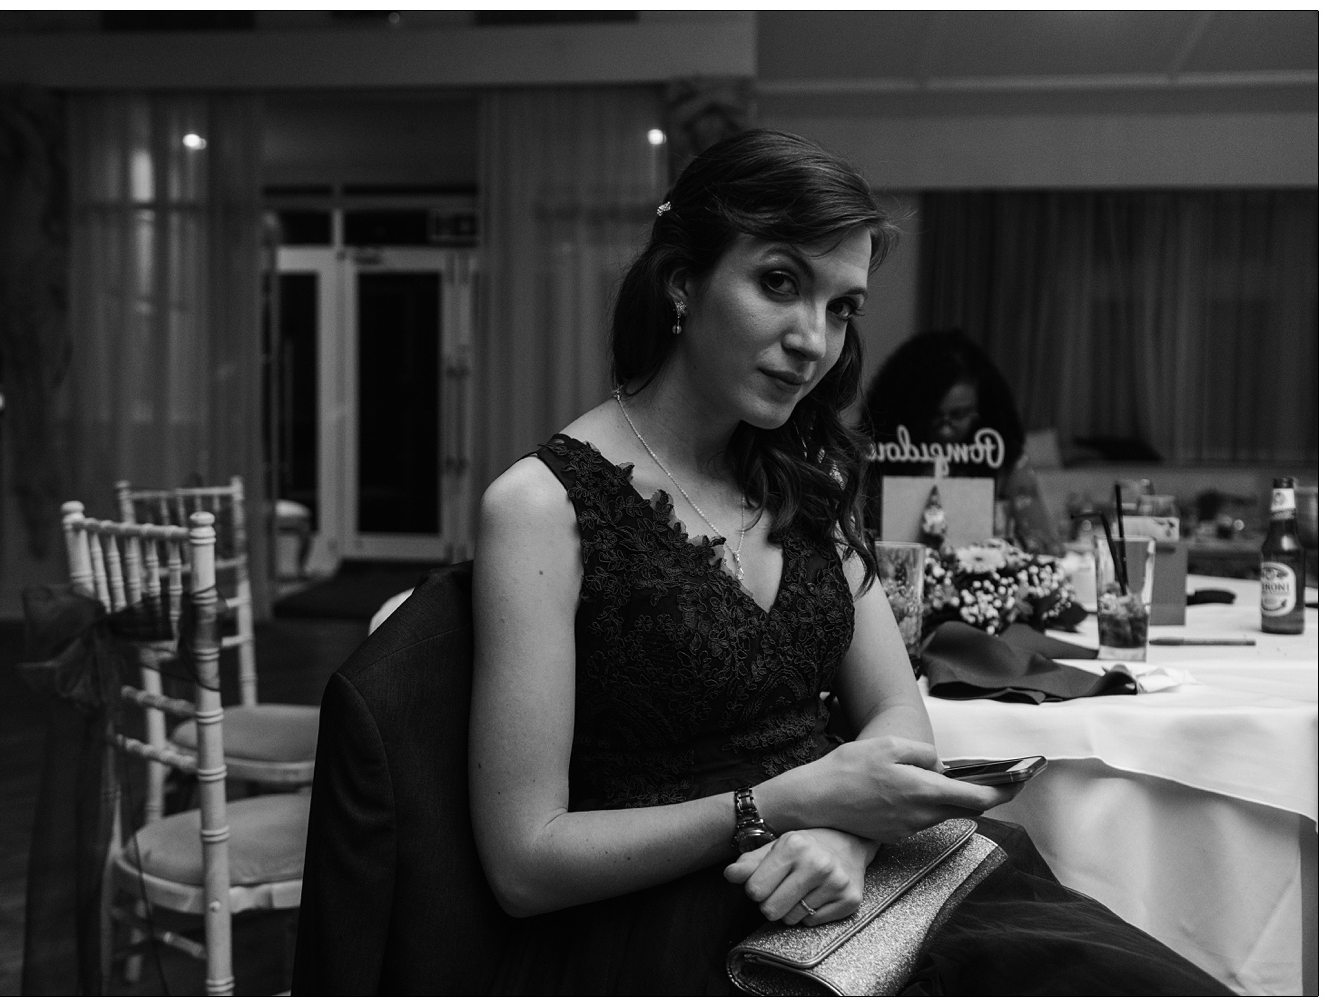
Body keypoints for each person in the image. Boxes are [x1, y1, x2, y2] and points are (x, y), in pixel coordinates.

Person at [468, 129, 1229, 995]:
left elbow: (899, 711)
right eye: (780, 283)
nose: (813, 340)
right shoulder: (540, 505)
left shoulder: (801, 478)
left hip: (873, 880)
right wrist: (791, 805)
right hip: (681, 924)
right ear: (684, 281)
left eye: (842, 308)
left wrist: (850, 831)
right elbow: (524, 864)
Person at [865, 329, 1064, 555]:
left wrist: (1006, 548)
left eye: (959, 415)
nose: (946, 428)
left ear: (984, 409)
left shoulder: (1005, 459)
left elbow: (1046, 543)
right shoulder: (875, 457)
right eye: (932, 415)